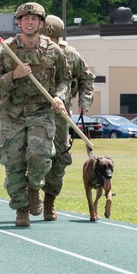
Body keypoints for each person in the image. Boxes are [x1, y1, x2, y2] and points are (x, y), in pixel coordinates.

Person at [0, 2, 68, 227]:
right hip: (12, 114)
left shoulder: (53, 51)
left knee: (41, 156)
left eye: (34, 18)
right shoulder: (7, 50)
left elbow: (64, 80)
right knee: (13, 164)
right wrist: (14, 74)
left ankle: (34, 186)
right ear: (19, 22)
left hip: (41, 112)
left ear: (41, 23)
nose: (29, 22)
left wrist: (60, 97)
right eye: (25, 18)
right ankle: (21, 209)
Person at [41, 14, 94, 220]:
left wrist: (84, 102)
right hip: (34, 113)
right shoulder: (30, 51)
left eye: (51, 39)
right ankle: (31, 194)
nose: (48, 43)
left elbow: (86, 79)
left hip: (62, 116)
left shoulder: (71, 55)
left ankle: (49, 201)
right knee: (35, 154)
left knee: (60, 158)